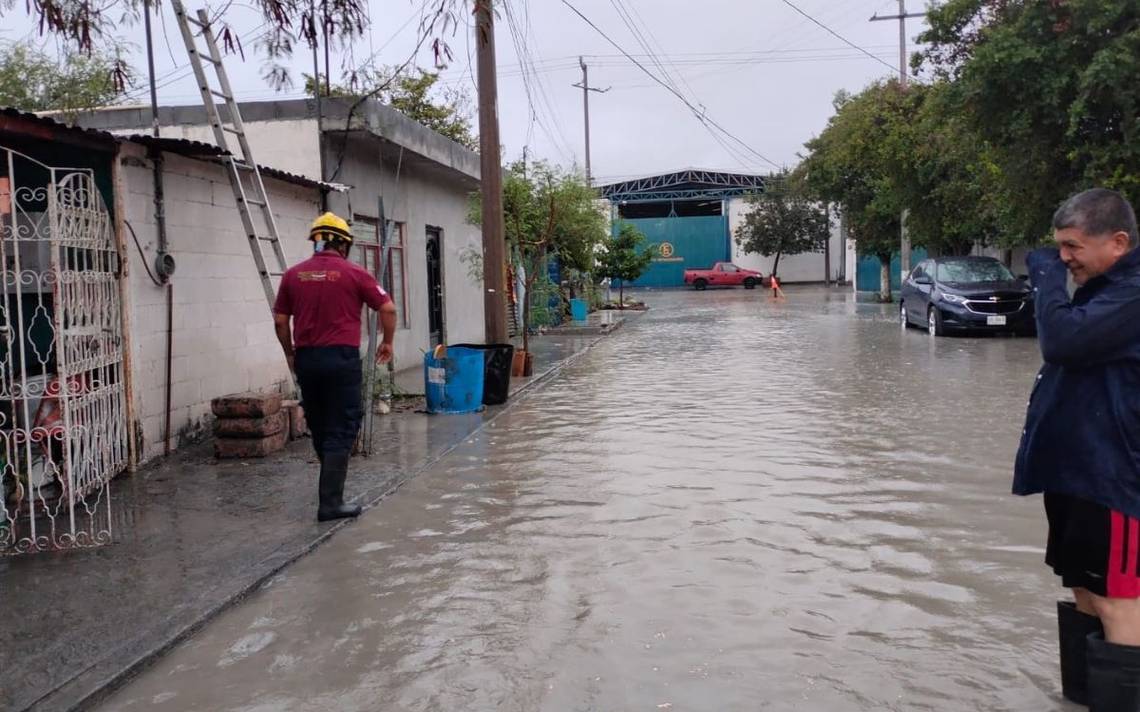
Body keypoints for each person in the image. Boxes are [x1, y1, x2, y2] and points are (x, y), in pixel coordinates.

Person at [1014, 188, 1140, 710]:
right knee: (1086, 594)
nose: (1063, 257)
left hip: (1114, 478)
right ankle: (1083, 700)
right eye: (1058, 247)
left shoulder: (1131, 294)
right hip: (1076, 473)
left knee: (1119, 601)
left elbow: (1061, 342)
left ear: (1117, 243)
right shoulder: (1101, 288)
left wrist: (1045, 275)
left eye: (1072, 247)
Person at [273, 212, 397, 522]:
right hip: (341, 359)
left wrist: (290, 354)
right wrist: (388, 342)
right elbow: (388, 307)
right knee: (342, 425)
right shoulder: (354, 274)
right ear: (343, 244)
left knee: (319, 421)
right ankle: (330, 503)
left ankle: (329, 494)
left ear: (315, 241)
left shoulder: (292, 275)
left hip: (308, 359)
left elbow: (280, 320)